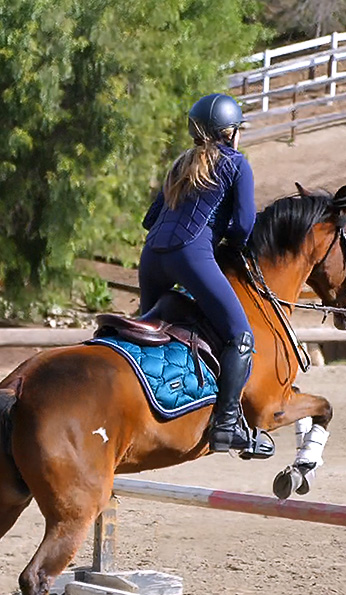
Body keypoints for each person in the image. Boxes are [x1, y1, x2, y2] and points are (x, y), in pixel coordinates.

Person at [138, 93, 273, 459]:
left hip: (151, 256)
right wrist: (226, 239)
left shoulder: (180, 164)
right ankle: (227, 423)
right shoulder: (236, 163)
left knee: (142, 332)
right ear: (230, 133)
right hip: (191, 256)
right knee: (240, 337)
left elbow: (149, 220)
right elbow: (245, 224)